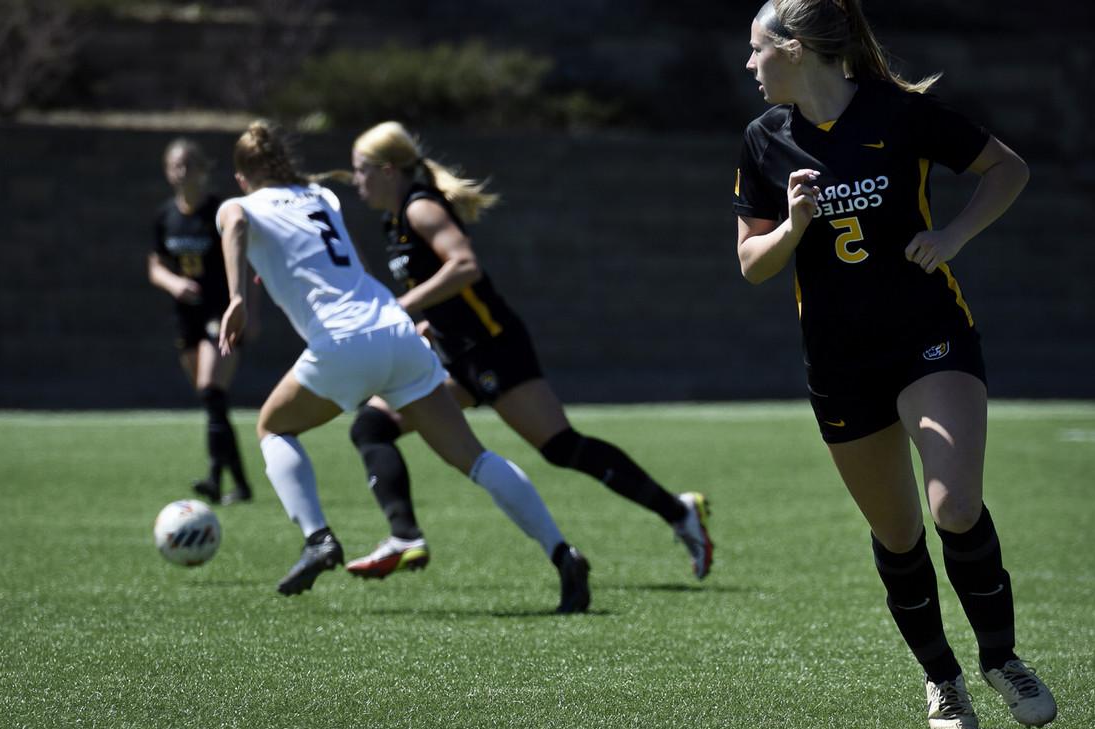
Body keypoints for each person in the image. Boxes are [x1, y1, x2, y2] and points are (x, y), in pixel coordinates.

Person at [735, 0, 1056, 729]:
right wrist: (793, 226)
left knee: (955, 507)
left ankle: (1001, 658)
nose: (749, 65)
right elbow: (752, 265)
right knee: (900, 536)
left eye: (756, 49)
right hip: (840, 362)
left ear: (798, 48)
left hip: (929, 336)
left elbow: (1007, 169)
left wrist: (954, 235)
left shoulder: (900, 111)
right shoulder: (763, 139)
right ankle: (942, 680)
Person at [216, 120, 590, 613]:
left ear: (242, 177)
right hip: (394, 326)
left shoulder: (238, 204)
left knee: (272, 427)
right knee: (474, 458)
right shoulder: (320, 196)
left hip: (343, 340)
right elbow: (338, 262)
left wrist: (238, 295)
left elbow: (238, 225)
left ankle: (318, 538)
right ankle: (563, 554)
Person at [337, 120, 713, 584]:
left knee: (561, 447)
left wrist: (402, 307)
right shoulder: (392, 221)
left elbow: (465, 266)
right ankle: (404, 536)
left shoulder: (421, 210)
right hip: (453, 353)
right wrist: (424, 323)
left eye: (361, 170)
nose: (356, 181)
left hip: (493, 348)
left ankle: (678, 511)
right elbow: (437, 289)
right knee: (371, 425)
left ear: (389, 170)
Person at [147, 138, 253, 505]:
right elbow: (156, 265)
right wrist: (175, 283)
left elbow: (244, 259)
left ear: (204, 169)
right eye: (176, 165)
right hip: (186, 319)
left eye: (190, 164)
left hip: (219, 315)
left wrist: (246, 306)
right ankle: (241, 485)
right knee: (214, 403)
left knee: (211, 389)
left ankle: (213, 478)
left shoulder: (219, 213)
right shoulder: (165, 216)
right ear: (167, 171)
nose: (183, 171)